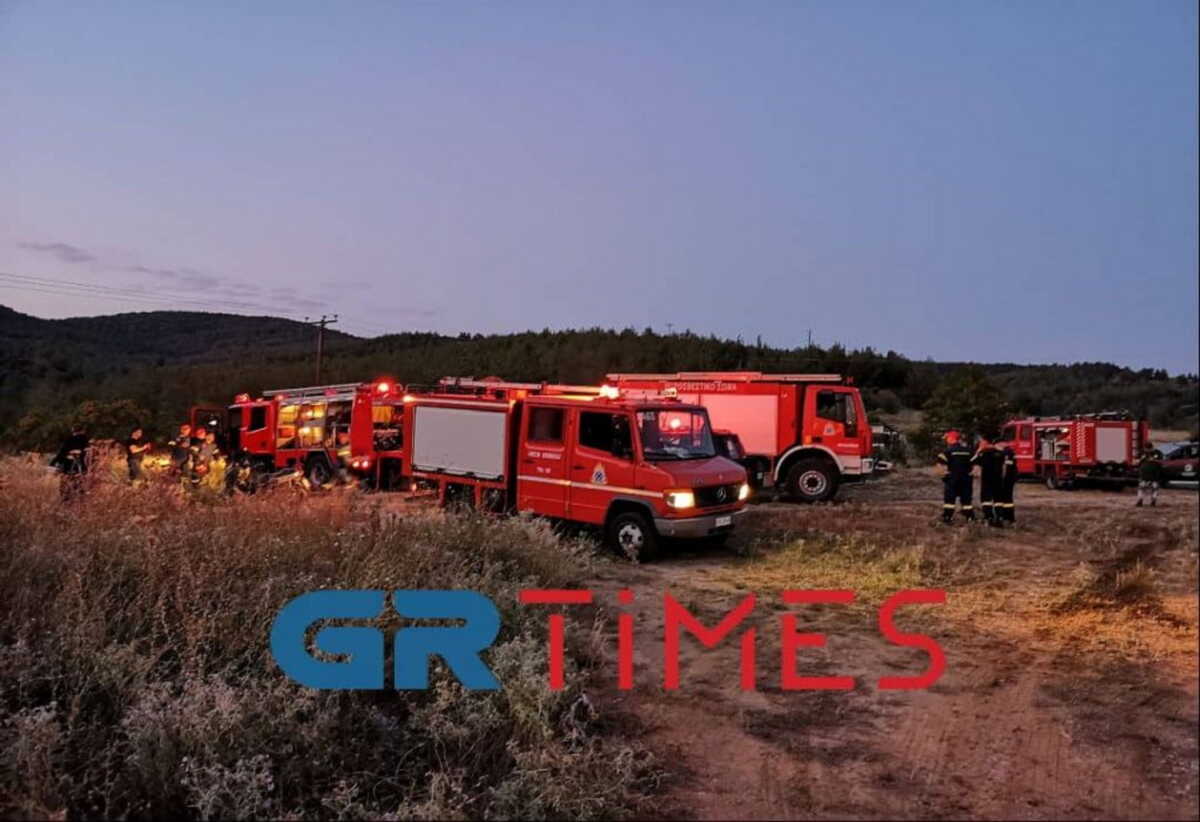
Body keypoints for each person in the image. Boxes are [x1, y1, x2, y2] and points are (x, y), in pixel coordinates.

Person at [936, 430, 975, 523]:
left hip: (952, 479)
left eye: (947, 439)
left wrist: (944, 476)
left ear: (951, 439)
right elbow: (976, 465)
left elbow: (939, 465)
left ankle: (947, 517)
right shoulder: (968, 451)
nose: (946, 441)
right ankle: (970, 518)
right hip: (966, 479)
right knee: (966, 499)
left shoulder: (947, 451)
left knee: (949, 499)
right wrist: (971, 475)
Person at [972, 436, 1005, 527]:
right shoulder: (1000, 453)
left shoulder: (983, 453)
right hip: (998, 479)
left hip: (987, 478)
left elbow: (972, 461)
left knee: (986, 499)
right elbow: (1004, 466)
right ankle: (999, 517)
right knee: (998, 499)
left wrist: (978, 451)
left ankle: (988, 517)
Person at [51, 425, 90, 502]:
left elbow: (61, 453)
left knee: (66, 484)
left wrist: (53, 464)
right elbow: (87, 452)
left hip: (68, 466)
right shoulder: (85, 439)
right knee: (79, 483)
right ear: (82, 431)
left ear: (73, 431)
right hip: (80, 466)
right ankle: (79, 498)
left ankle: (66, 499)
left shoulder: (69, 439)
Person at [1136, 442, 1164, 507]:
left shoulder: (1158, 453)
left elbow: (1162, 462)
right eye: (1146, 448)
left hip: (1155, 474)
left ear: (1152, 447)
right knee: (1141, 488)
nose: (1148, 450)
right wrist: (1141, 459)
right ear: (1144, 448)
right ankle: (1140, 501)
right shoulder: (1141, 452)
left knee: (1154, 488)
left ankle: (1153, 501)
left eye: (1149, 448)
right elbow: (1136, 462)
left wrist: (1154, 460)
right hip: (1144, 474)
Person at [997, 443, 1019, 522]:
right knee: (1008, 498)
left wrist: (1002, 478)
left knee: (1005, 498)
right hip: (1011, 478)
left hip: (1006, 479)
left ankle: (1006, 516)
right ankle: (1009, 517)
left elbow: (1005, 467)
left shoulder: (1005, 453)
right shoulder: (1011, 452)